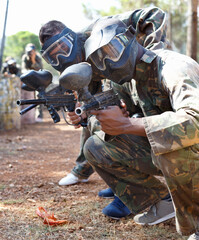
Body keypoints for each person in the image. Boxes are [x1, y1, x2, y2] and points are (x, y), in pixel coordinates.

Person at [74, 17, 199, 239]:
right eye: (100, 60)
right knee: (96, 145)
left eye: (112, 51)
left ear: (131, 38)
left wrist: (127, 124)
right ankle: (161, 204)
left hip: (189, 151)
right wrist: (91, 117)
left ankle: (196, 224)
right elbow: (122, 121)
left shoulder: (175, 68)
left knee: (171, 148)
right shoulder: (126, 79)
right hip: (174, 158)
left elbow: (195, 121)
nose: (109, 63)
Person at [39, 6, 169, 192]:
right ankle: (119, 177)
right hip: (112, 83)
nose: (62, 57)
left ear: (72, 37)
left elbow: (153, 14)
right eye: (54, 56)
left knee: (144, 117)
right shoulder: (73, 69)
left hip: (135, 70)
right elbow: (88, 104)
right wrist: (80, 113)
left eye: (63, 48)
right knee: (97, 115)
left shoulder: (96, 31)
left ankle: (140, 180)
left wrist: (154, 56)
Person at [21, 43, 44, 123]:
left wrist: (33, 60)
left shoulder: (37, 57)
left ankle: (39, 116)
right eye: (29, 51)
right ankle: (28, 116)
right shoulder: (25, 57)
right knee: (28, 98)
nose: (30, 53)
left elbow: (40, 69)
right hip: (29, 80)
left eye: (32, 51)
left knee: (39, 98)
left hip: (38, 79)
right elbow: (23, 69)